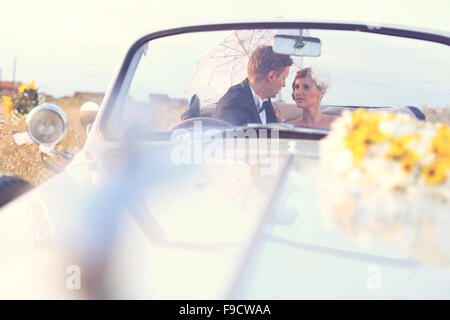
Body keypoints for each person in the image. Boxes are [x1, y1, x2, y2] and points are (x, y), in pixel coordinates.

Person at [213, 45, 293, 126]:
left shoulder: (265, 99)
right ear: (271, 76)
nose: (284, 85)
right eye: (283, 78)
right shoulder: (233, 106)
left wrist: (279, 126)